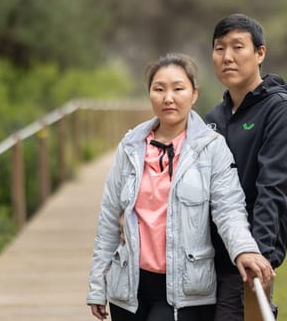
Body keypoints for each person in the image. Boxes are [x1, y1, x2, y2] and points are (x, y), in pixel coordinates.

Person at [86, 52, 274, 321]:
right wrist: (97, 286)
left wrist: (244, 248)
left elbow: (229, 209)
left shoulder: (211, 147)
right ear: (150, 94)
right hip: (127, 290)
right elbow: (108, 219)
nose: (168, 98)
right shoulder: (130, 147)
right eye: (159, 89)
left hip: (185, 292)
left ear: (194, 94)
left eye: (178, 88)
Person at [205, 13, 287, 320]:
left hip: (244, 264)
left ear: (260, 53)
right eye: (220, 48)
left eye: (238, 47)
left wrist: (257, 256)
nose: (228, 57)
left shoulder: (279, 109)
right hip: (202, 264)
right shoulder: (213, 117)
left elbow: (273, 189)